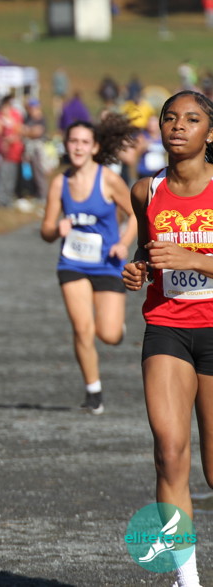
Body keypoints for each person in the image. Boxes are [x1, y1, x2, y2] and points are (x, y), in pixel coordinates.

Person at [122, 90, 213, 587]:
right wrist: (138, 268)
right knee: (170, 452)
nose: (178, 126)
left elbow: (185, 258)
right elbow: (148, 249)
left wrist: (195, 260)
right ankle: (186, 578)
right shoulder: (146, 191)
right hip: (167, 328)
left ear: (210, 133)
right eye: (170, 118)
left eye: (192, 119)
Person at [40, 116, 136, 415]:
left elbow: (136, 213)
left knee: (107, 334)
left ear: (95, 147)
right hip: (73, 263)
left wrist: (124, 242)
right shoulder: (60, 182)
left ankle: (116, 329)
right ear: (66, 145)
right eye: (73, 141)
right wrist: (57, 229)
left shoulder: (108, 179)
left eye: (84, 142)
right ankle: (93, 392)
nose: (78, 147)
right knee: (82, 329)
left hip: (108, 263)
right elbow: (45, 230)